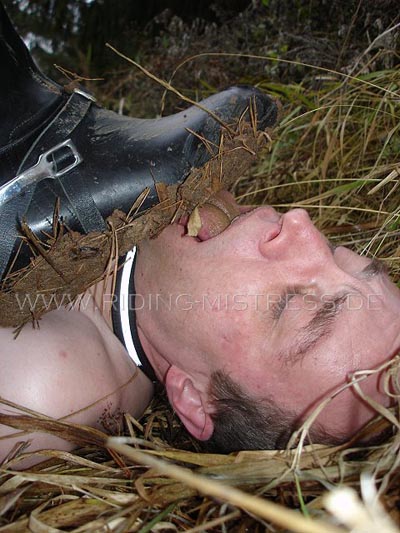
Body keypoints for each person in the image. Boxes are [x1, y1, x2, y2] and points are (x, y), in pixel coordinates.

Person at [1, 4, 400, 465]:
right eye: (337, 252)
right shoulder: (185, 233)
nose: (300, 224)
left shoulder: (56, 387)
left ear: (194, 396)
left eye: (291, 303)